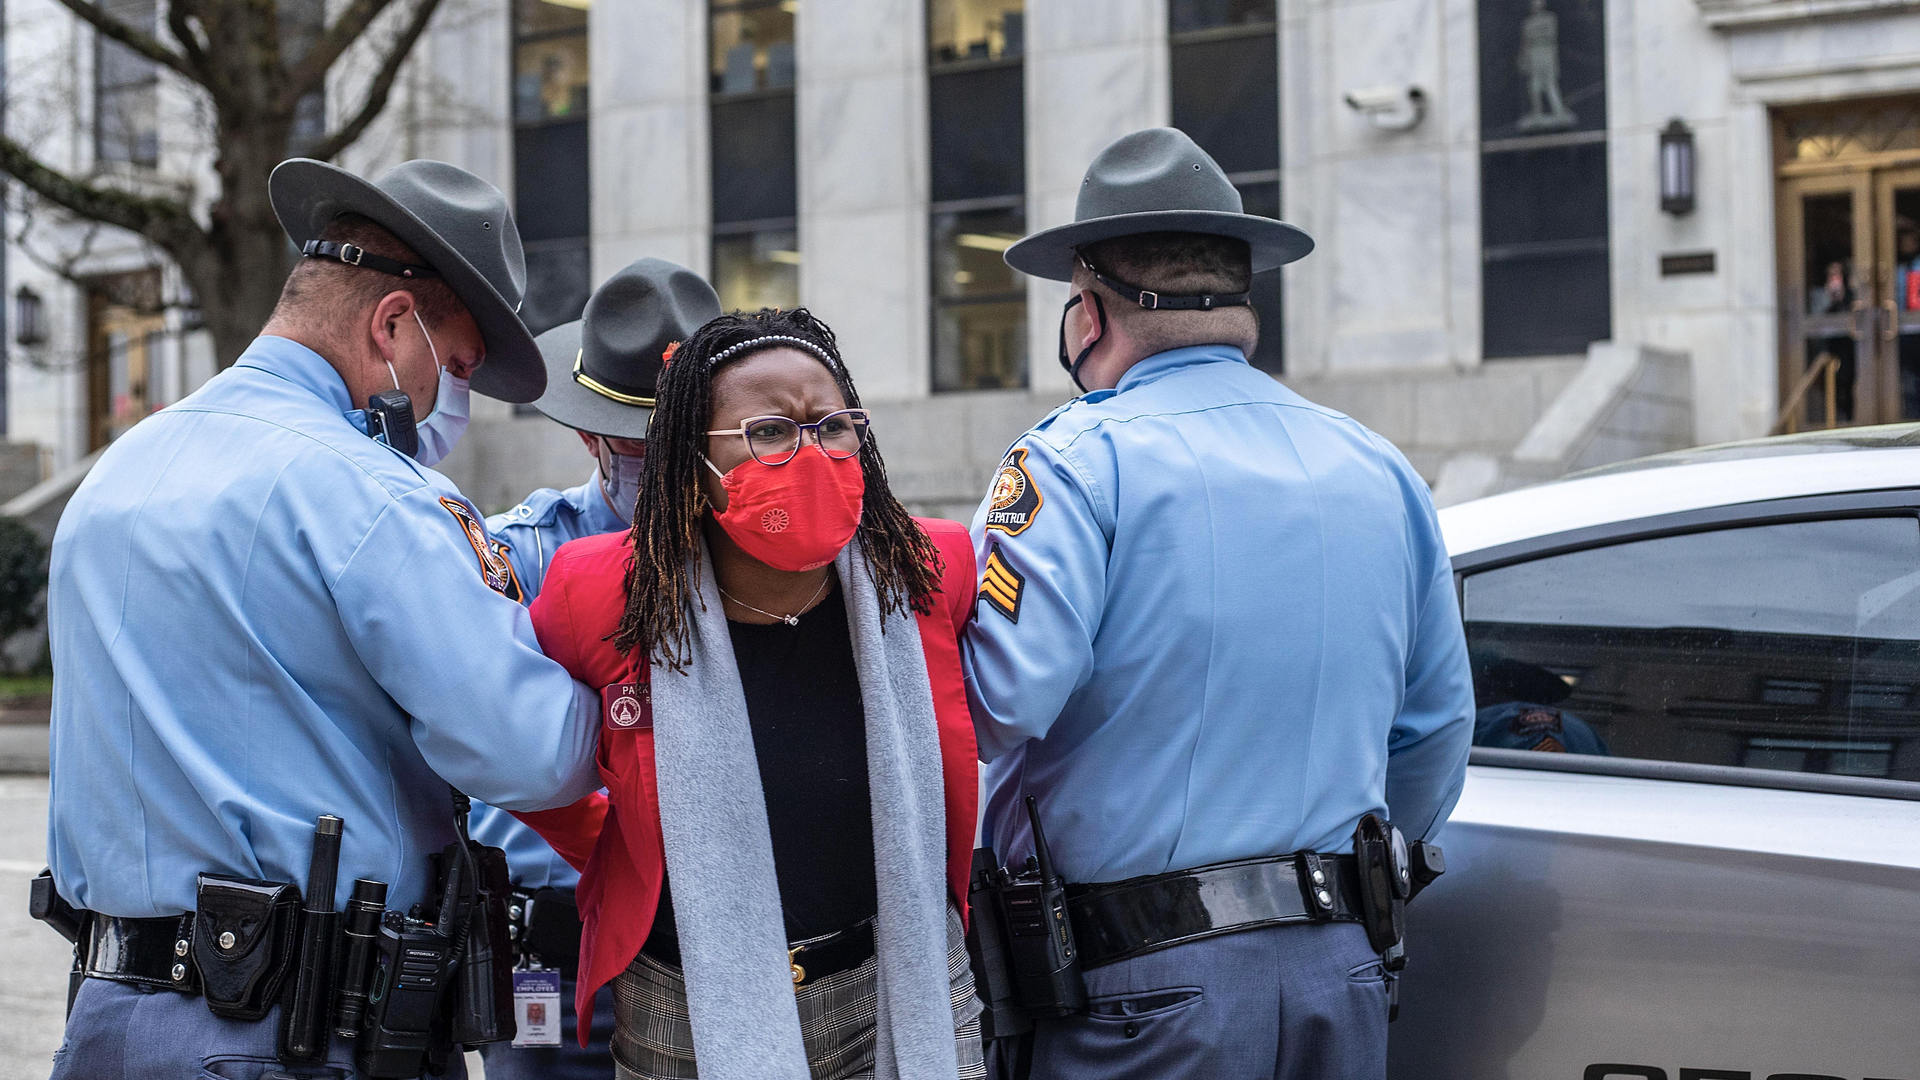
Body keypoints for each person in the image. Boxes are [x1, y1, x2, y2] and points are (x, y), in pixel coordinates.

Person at [43, 158, 603, 1078]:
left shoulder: (120, 469)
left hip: (112, 1021)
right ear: (392, 326)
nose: (446, 399)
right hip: (294, 1033)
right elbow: (528, 750)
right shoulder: (370, 490)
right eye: (453, 367)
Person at [962, 128, 1475, 1079]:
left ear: (1090, 308)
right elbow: (1436, 729)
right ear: (1242, 298)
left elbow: (1001, 702)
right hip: (1342, 970)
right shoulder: (1377, 464)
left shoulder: (1075, 460)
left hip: (1140, 991)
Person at [513, 308, 985, 1080]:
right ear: (690, 461)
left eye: (834, 425)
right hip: (684, 1000)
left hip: (902, 984)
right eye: (770, 432)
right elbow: (523, 764)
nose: (811, 449)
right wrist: (632, 843)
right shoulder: (598, 594)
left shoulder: (932, 569)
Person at [469, 257, 720, 1079]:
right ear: (589, 438)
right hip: (556, 953)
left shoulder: (757, 562)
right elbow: (490, 748)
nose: (667, 467)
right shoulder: (523, 556)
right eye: (643, 447)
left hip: (711, 951)